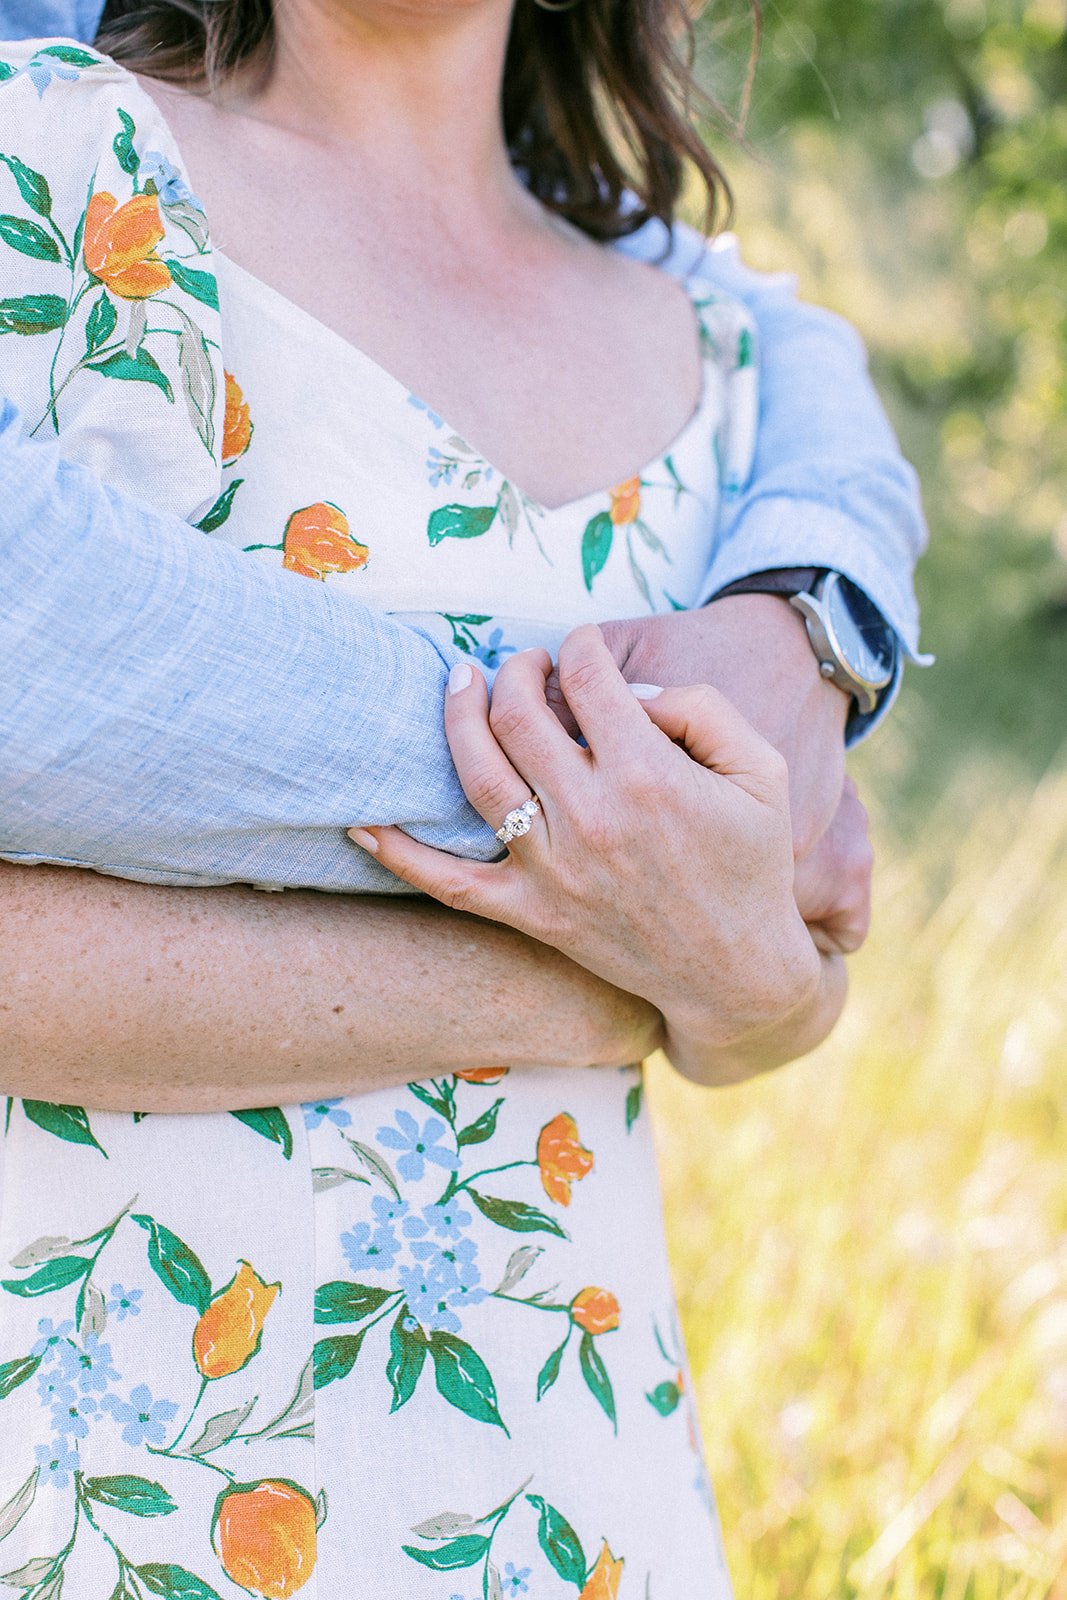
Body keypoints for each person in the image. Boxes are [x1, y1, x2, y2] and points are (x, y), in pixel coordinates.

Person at [0, 6, 922, 1599]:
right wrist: (613, 946)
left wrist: (739, 965)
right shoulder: (59, 165)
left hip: (572, 1501)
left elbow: (790, 978)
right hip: (106, 1496)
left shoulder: (722, 360)